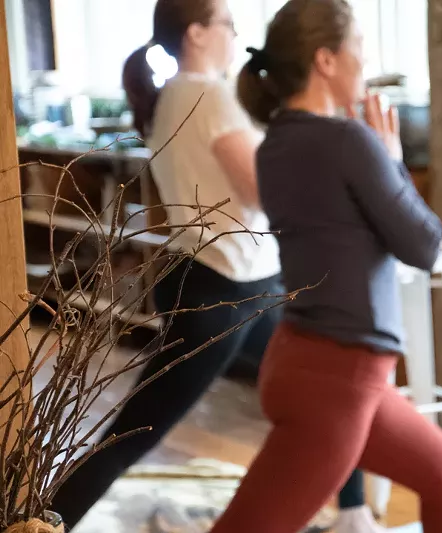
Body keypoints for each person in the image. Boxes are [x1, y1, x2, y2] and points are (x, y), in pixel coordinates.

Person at [50, 1, 376, 531]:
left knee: (331, 392)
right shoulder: (209, 95)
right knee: (136, 432)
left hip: (222, 281)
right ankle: (45, 521)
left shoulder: (173, 96)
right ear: (197, 33)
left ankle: (354, 512)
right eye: (227, 23)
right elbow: (264, 192)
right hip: (224, 292)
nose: (235, 34)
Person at [203, 1, 442, 532]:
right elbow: (423, 245)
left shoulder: (275, 144)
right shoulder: (349, 141)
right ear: (326, 60)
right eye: (359, 46)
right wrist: (391, 156)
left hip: (314, 363)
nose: (366, 60)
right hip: (336, 378)